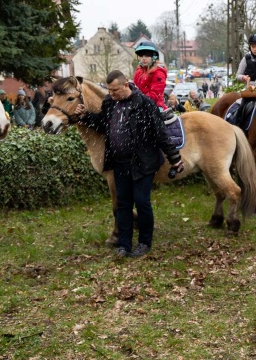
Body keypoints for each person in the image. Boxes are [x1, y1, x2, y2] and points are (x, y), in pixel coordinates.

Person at [77, 71, 185, 257]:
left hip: (142, 162)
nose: (112, 94)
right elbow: (102, 123)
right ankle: (124, 245)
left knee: (142, 203)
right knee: (123, 205)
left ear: (126, 85)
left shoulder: (144, 104)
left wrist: (174, 158)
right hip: (119, 163)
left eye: (115, 90)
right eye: (109, 90)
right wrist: (86, 116)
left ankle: (144, 242)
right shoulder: (110, 103)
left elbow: (160, 133)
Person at [132, 39, 168, 109]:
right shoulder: (139, 71)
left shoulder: (159, 72)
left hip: (155, 106)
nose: (143, 58)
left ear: (154, 57)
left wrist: (138, 100)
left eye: (147, 56)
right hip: (140, 104)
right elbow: (134, 87)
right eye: (141, 56)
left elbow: (155, 95)